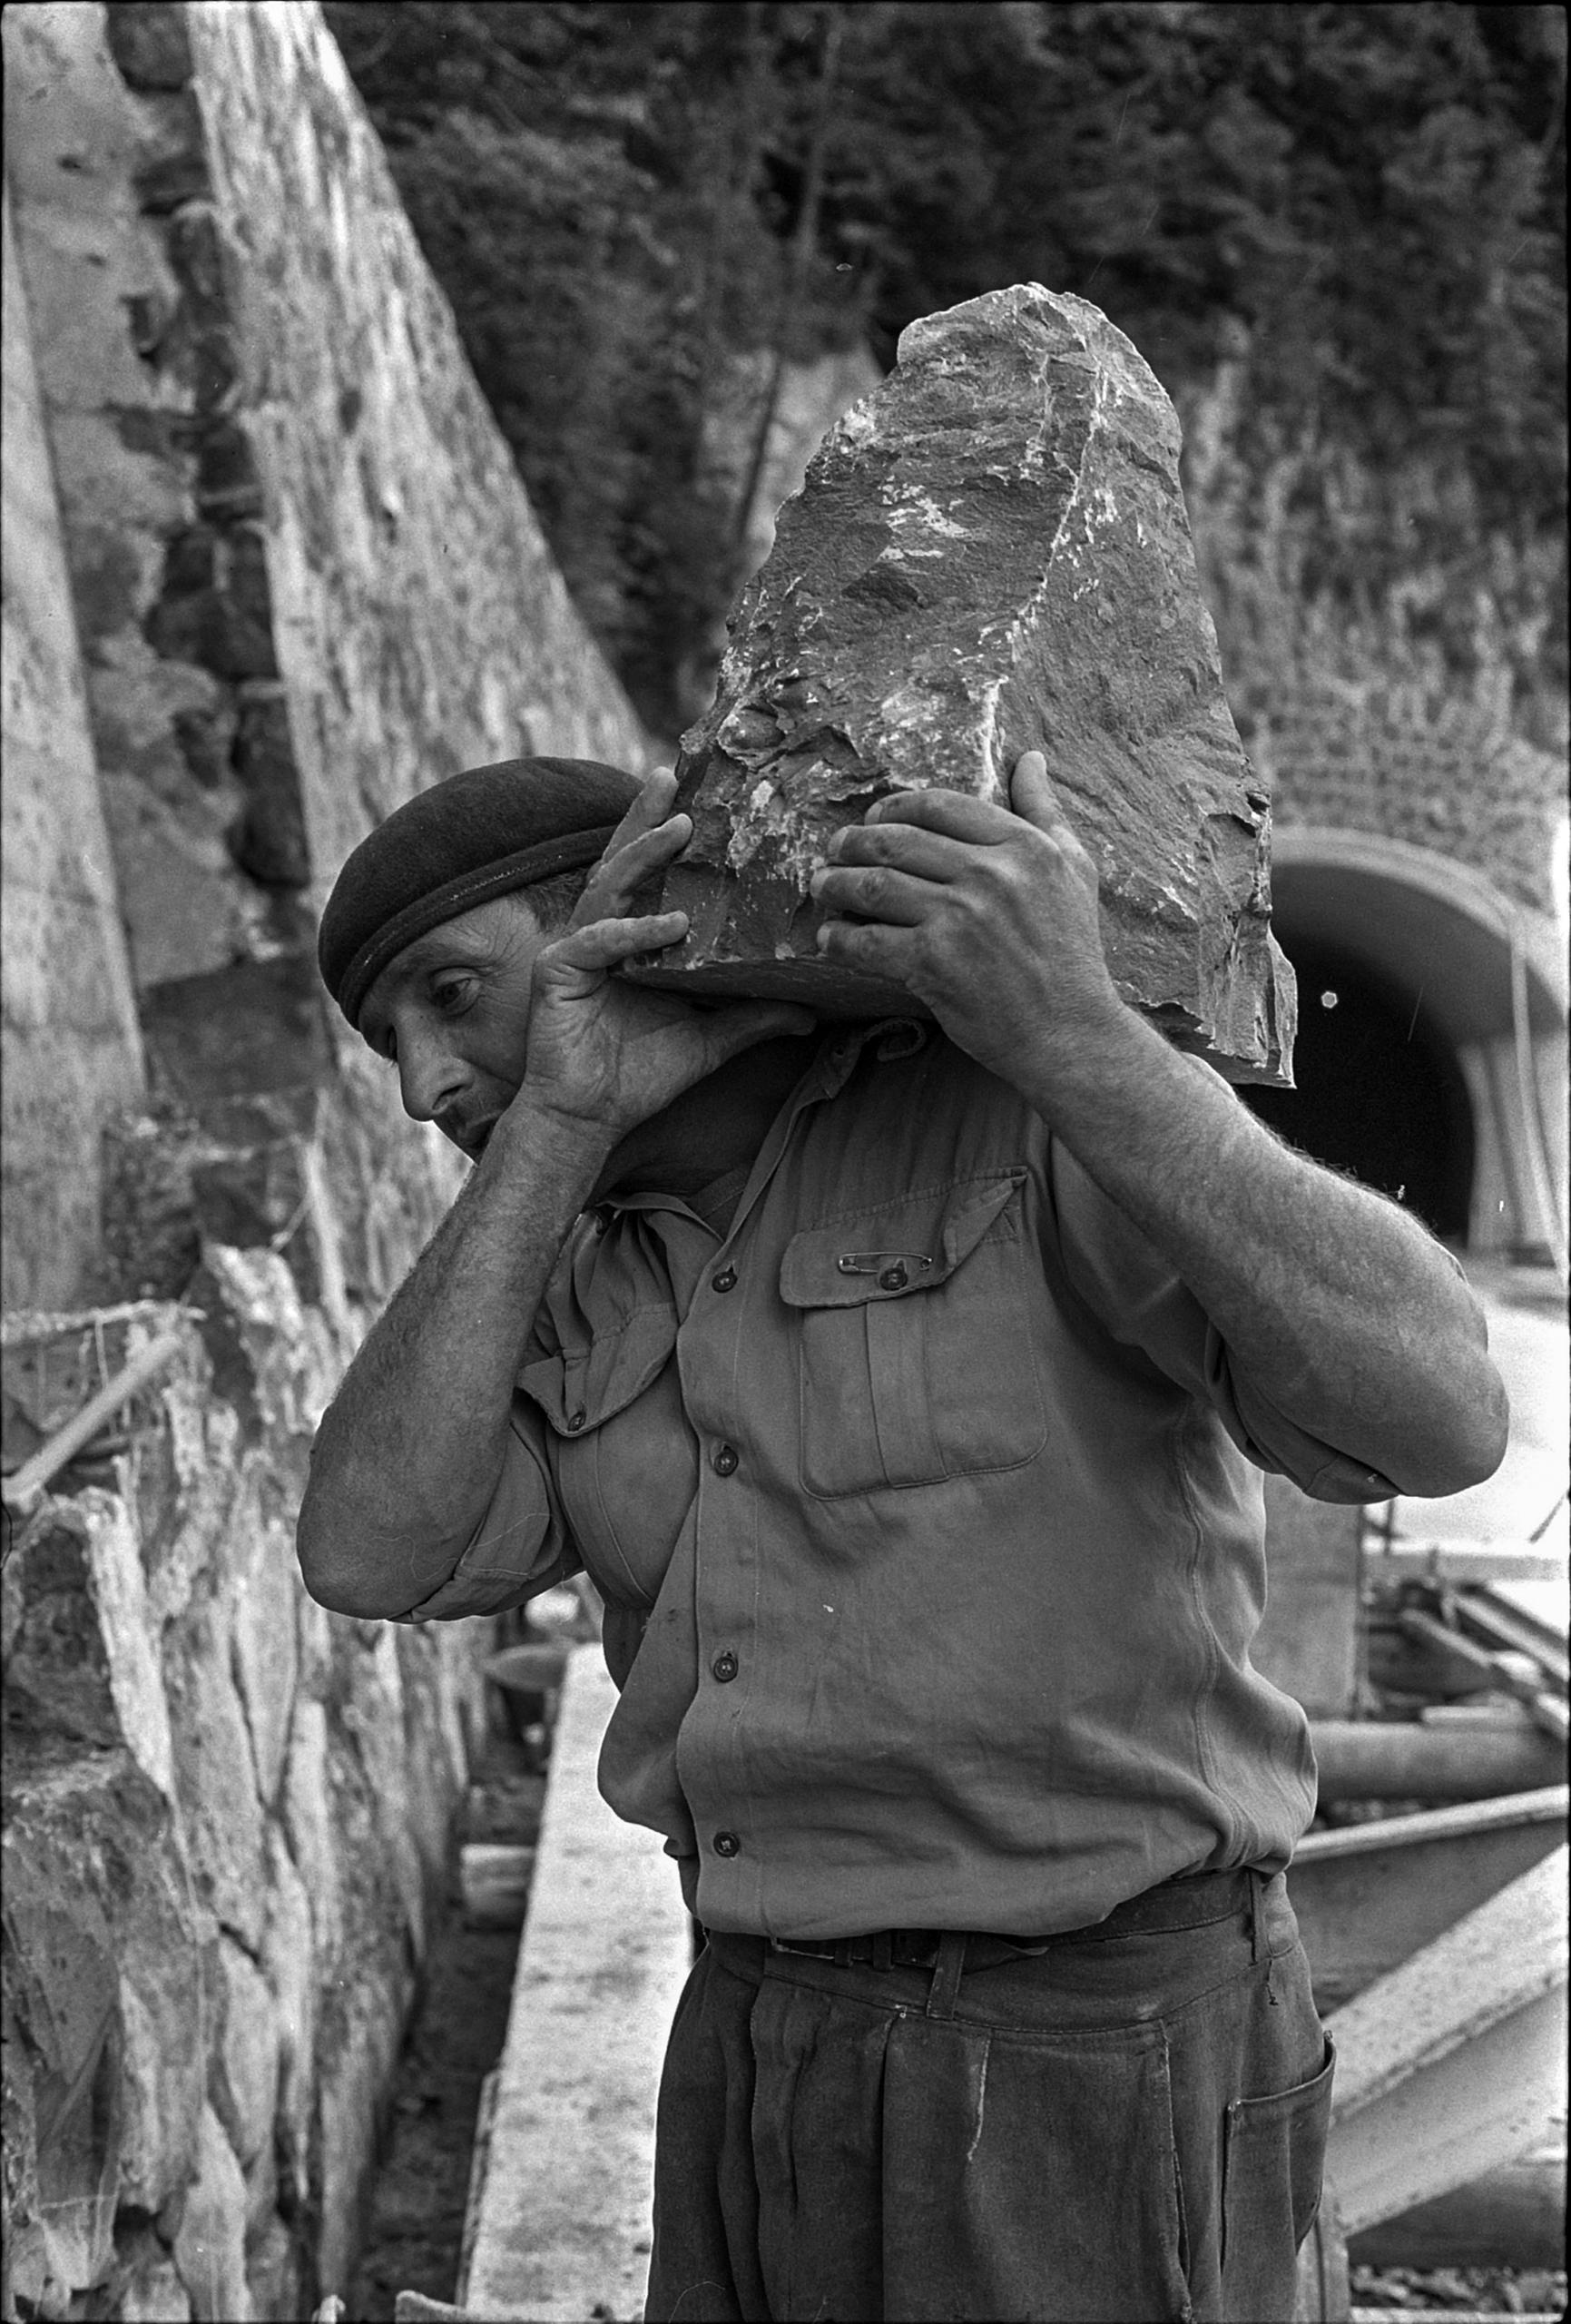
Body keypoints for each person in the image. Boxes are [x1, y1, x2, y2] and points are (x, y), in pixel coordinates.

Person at [299, 747, 1507, 2323]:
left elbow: (1444, 1418)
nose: (420, 1084)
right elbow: (364, 1554)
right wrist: (550, 1129)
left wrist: (1077, 1034)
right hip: (752, 2033)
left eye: (454, 998)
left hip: (1092, 2041)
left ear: (636, 922)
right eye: (391, 1041)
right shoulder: (566, 1278)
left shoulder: (1024, 1120)